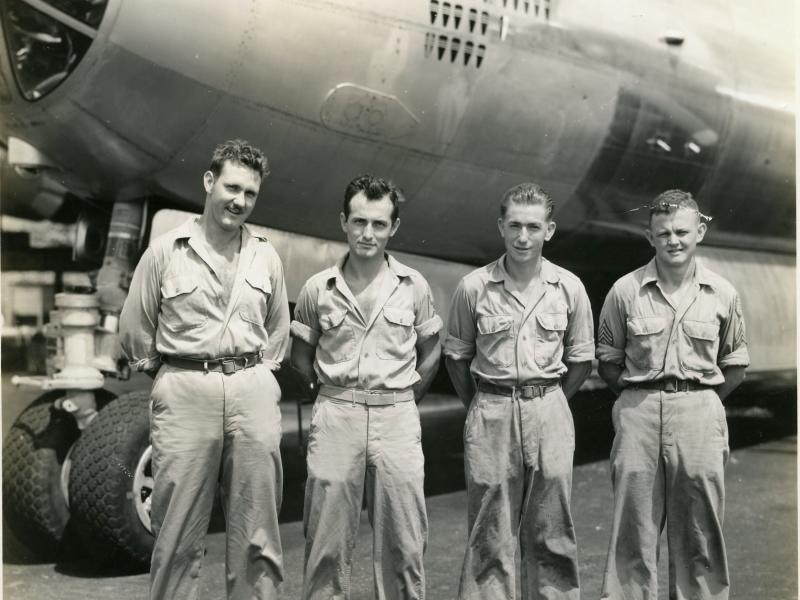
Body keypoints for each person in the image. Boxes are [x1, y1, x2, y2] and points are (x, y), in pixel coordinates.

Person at [119, 139, 289, 600]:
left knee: (258, 533)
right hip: (186, 391)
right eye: (232, 187)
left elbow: (277, 330)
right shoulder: (165, 252)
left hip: (251, 390)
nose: (240, 201)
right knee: (175, 533)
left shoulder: (265, 256)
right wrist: (175, 371)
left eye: (250, 193)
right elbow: (135, 327)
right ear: (210, 182)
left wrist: (255, 375)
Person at [290, 174, 442, 600]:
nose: (367, 233)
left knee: (404, 545)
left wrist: (405, 402)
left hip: (397, 417)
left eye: (378, 224)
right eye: (358, 222)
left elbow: (432, 352)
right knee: (325, 545)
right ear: (343, 222)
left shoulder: (414, 287)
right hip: (338, 416)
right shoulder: (318, 289)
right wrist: (332, 397)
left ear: (393, 227)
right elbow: (300, 359)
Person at [596, 190, 749, 600]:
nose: (673, 241)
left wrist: (699, 398)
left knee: (700, 530)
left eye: (682, 231)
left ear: (699, 231)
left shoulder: (722, 294)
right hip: (639, 412)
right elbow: (609, 361)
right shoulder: (624, 291)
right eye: (663, 233)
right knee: (633, 530)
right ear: (650, 236)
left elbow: (735, 363)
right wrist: (641, 396)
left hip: (699, 410)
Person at [444, 182, 594, 600]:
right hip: (492, 410)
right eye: (514, 226)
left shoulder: (569, 288)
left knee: (553, 529)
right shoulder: (474, 287)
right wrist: (481, 406)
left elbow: (581, 358)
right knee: (490, 531)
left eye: (532, 227)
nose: (523, 237)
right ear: (501, 227)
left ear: (549, 230)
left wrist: (551, 401)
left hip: (549, 408)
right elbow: (456, 356)